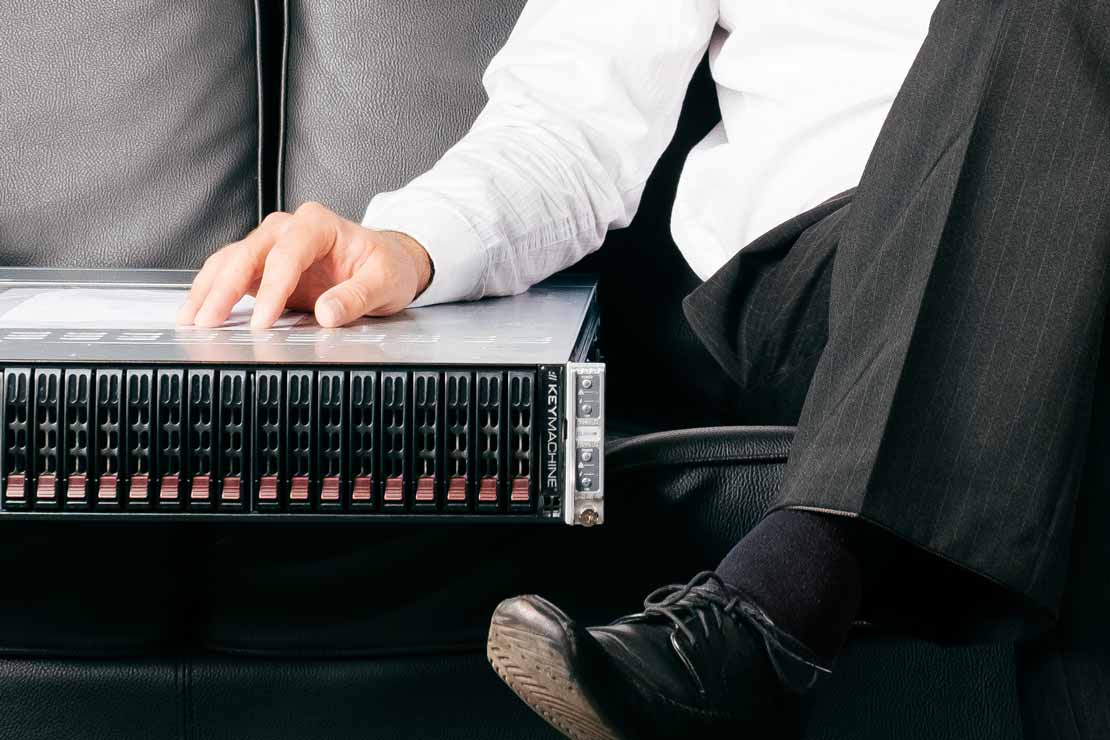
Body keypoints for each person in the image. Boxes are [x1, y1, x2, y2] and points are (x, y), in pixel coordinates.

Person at [178, 0, 1110, 737]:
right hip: (831, 273)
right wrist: (409, 242)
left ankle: (785, 607)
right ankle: (796, 587)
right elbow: (565, 124)